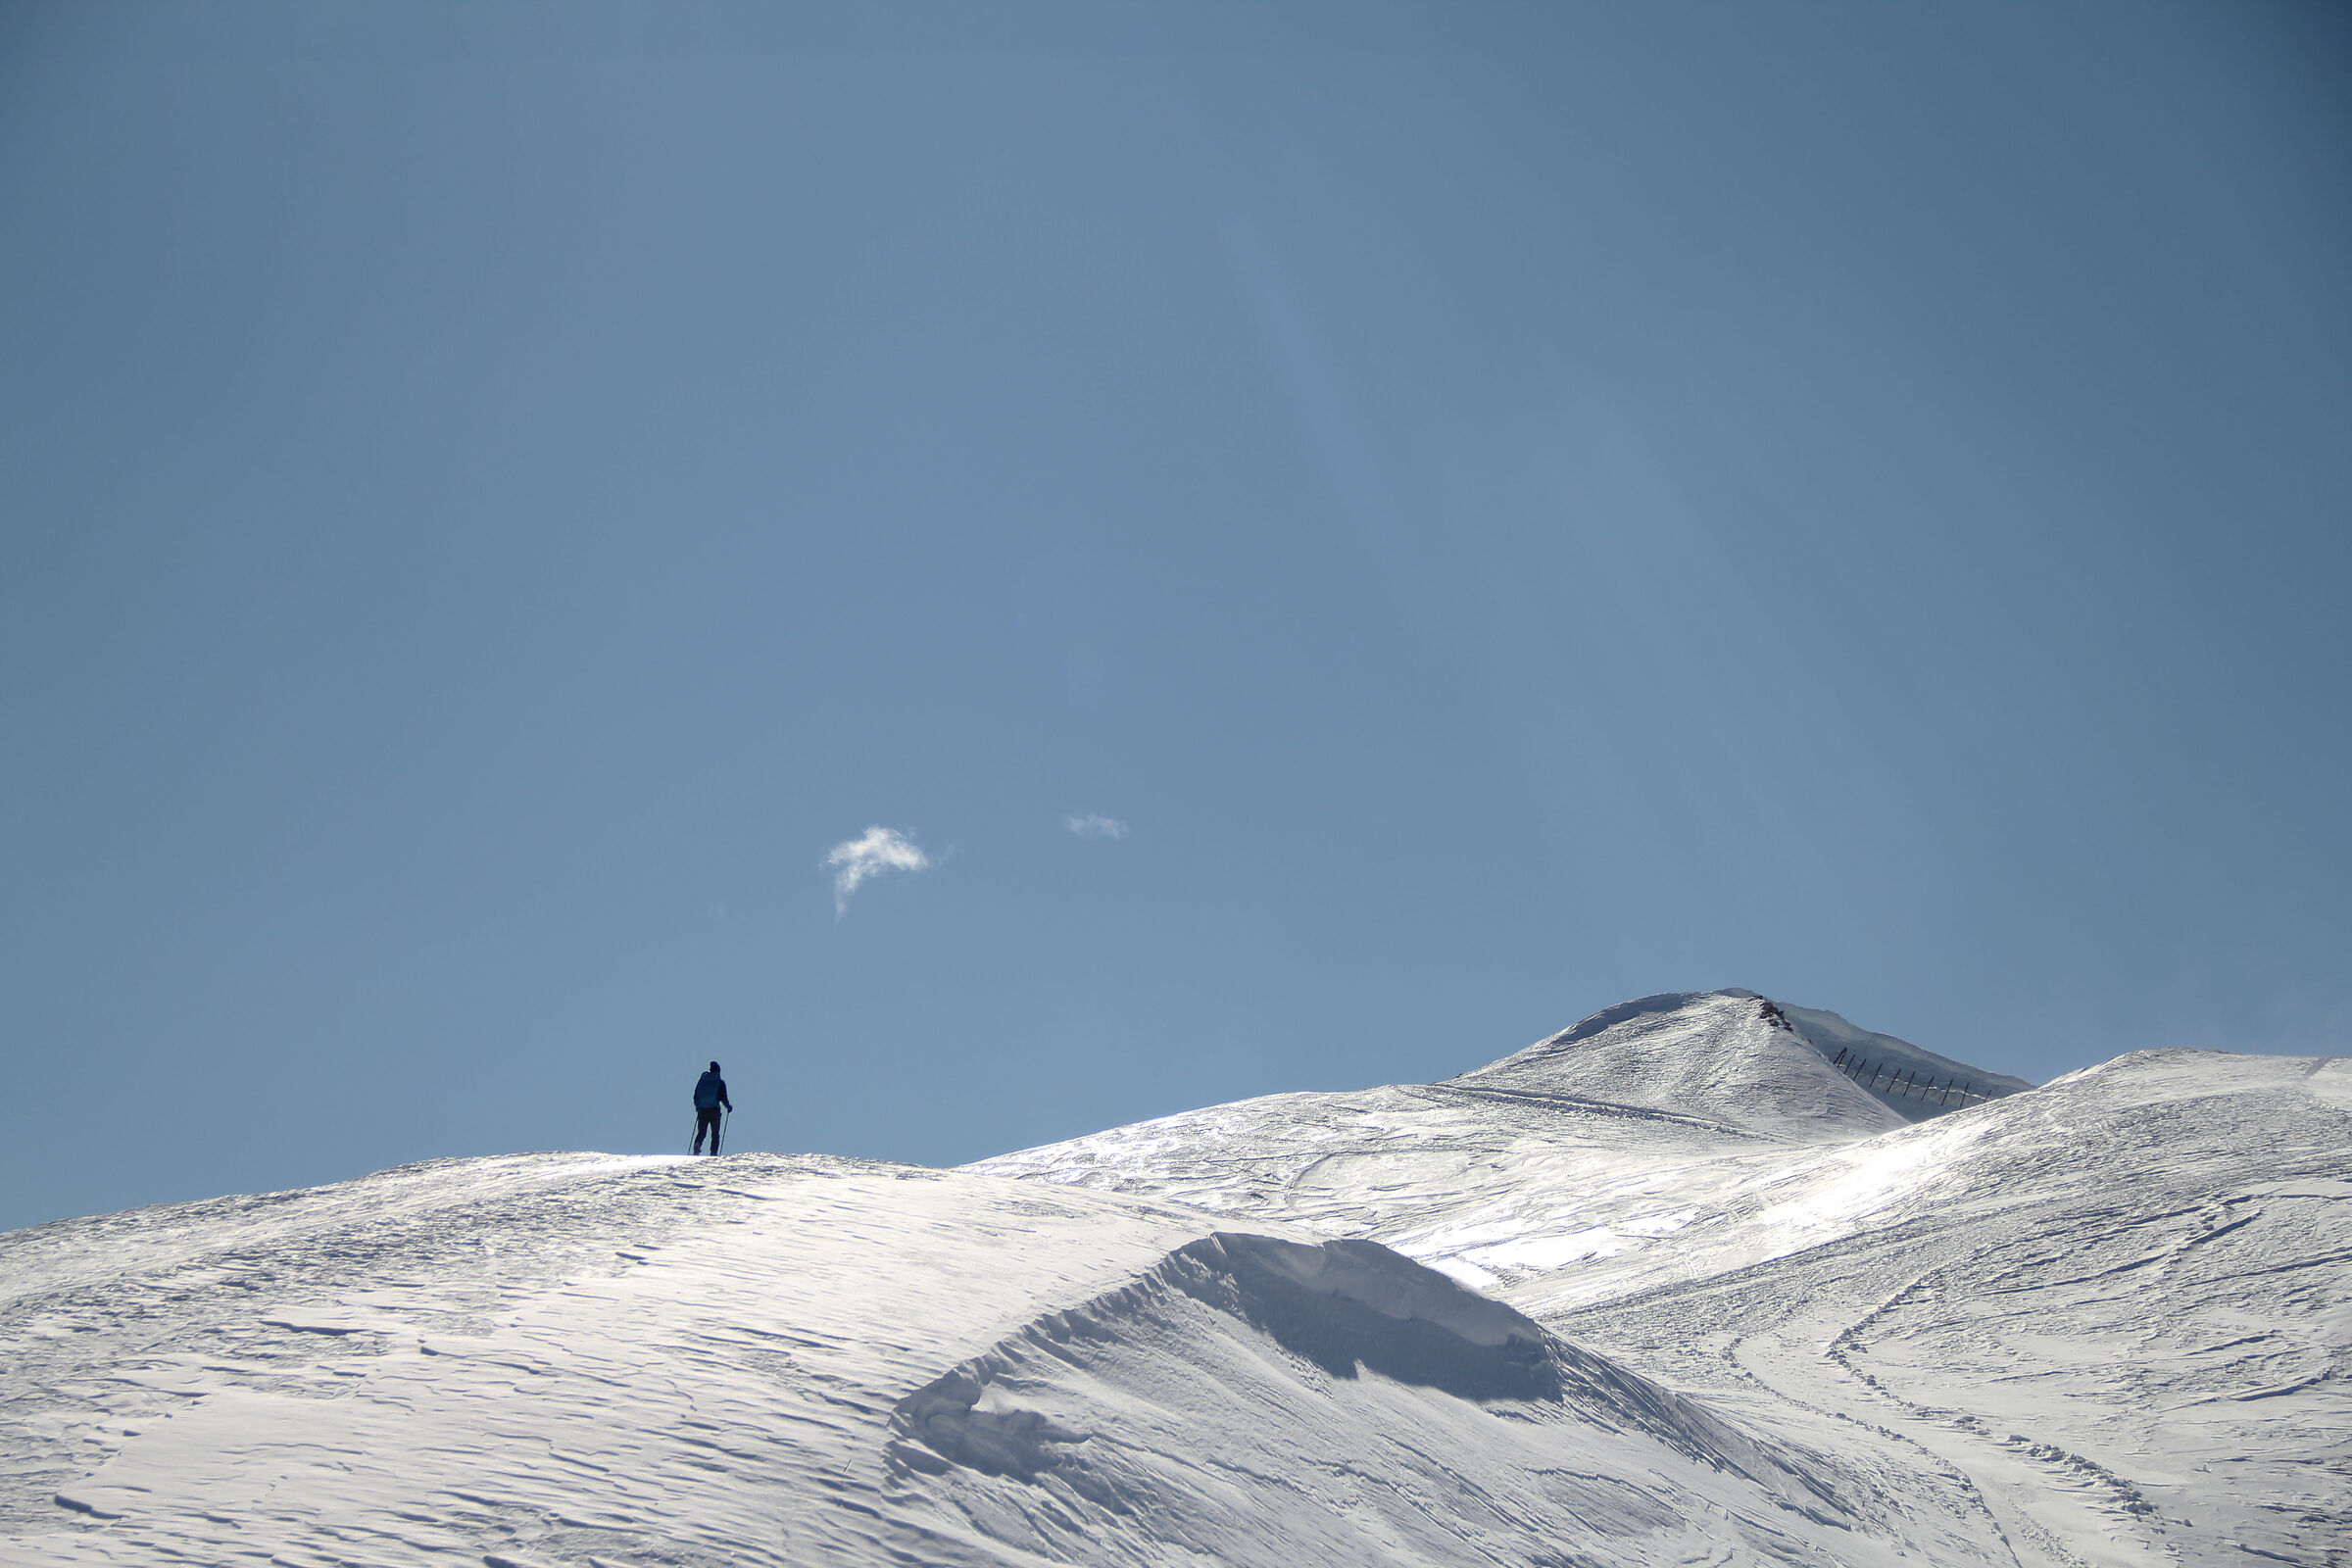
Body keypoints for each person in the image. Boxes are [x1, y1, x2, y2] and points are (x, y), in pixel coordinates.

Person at [692, 1061, 732, 1154]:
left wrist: (698, 1108)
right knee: (715, 1134)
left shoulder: (702, 1081)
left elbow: (696, 1096)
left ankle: (697, 1145)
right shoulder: (720, 1082)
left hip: (702, 1110)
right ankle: (713, 1153)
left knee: (702, 1132)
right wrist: (728, 1107)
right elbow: (723, 1097)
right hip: (714, 1111)